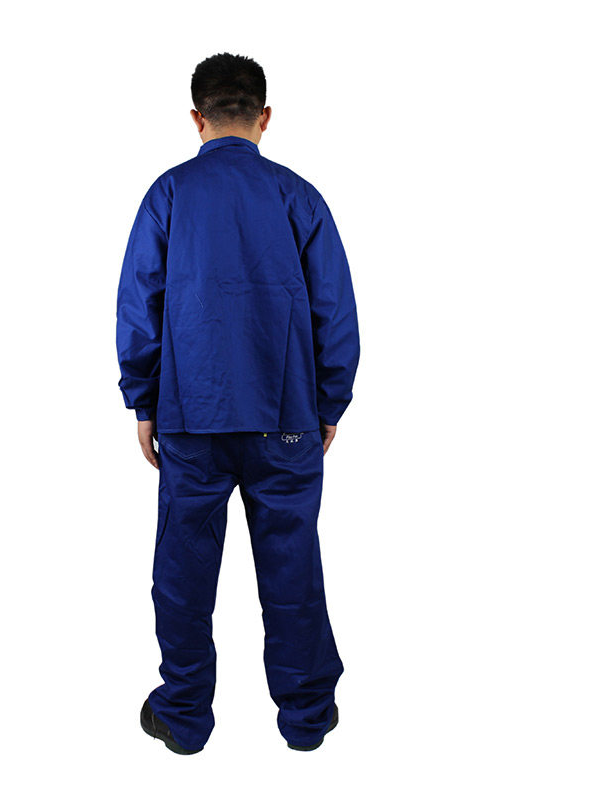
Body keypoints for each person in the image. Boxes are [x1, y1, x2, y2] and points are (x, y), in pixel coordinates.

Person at [115, 53, 360, 754]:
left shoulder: (168, 194)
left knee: (183, 572)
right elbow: (335, 312)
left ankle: (184, 717)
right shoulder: (299, 198)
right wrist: (329, 404)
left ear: (197, 118)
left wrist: (143, 402)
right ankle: (307, 718)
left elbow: (139, 307)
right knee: (292, 565)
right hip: (286, 416)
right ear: (265, 116)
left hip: (190, 415)